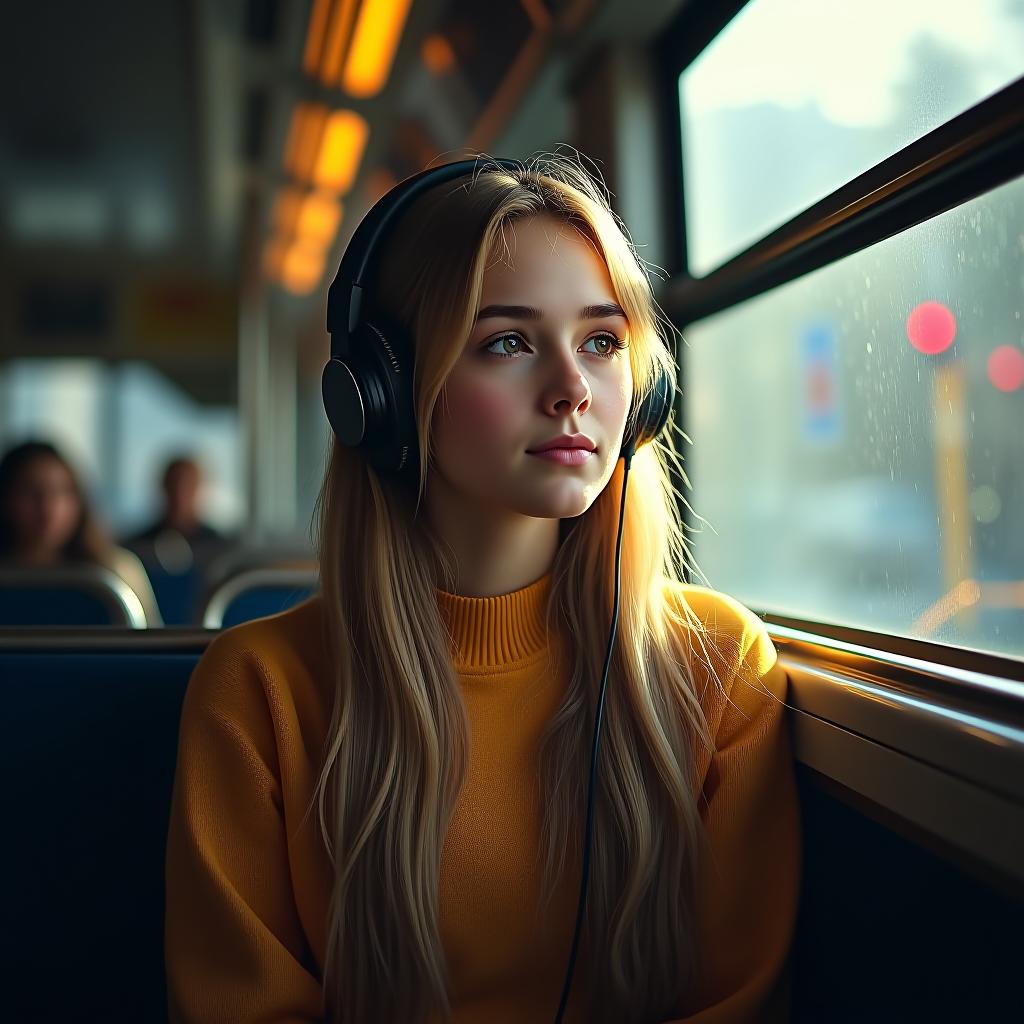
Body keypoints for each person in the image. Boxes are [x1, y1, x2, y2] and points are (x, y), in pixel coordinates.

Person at [165, 154, 801, 1023]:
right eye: (507, 342)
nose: (573, 390)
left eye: (602, 342)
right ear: (381, 397)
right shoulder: (259, 691)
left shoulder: (719, 670)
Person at [0, 439, 163, 625]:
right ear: (5, 499)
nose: (48, 508)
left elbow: (150, 649)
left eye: (61, 492)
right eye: (30, 492)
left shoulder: (118, 572)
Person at [124, 456, 225, 573]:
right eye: (174, 484)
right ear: (164, 487)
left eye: (188, 485)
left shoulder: (219, 549)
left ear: (199, 489)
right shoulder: (136, 549)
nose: (180, 494)